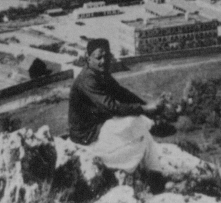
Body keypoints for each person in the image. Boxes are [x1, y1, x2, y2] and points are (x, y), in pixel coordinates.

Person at [68, 38, 164, 174]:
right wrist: (144, 109)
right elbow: (111, 107)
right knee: (136, 125)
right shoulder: (87, 79)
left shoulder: (100, 73)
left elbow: (121, 93)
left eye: (106, 56)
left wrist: (146, 106)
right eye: (98, 57)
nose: (103, 61)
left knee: (141, 127)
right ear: (88, 59)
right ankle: (151, 172)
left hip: (98, 125)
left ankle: (154, 171)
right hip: (86, 134)